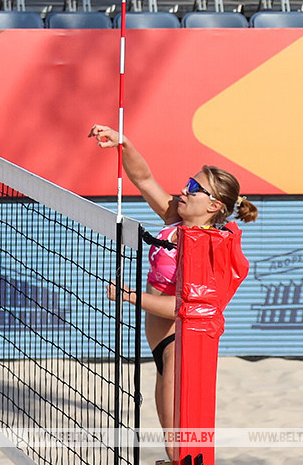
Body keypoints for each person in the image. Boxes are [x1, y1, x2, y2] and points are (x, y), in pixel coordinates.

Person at [89, 124, 258, 463]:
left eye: (194, 188)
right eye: (189, 181)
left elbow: (186, 306)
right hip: (160, 343)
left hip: (180, 343)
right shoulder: (173, 219)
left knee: (177, 445)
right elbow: (143, 179)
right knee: (173, 444)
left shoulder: (207, 247)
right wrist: (124, 144)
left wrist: (130, 296)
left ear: (213, 205)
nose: (184, 189)